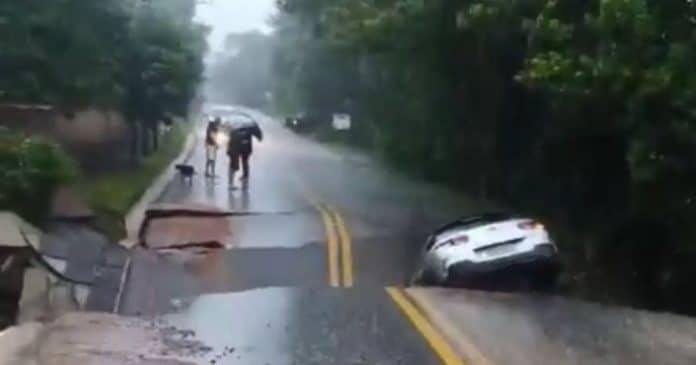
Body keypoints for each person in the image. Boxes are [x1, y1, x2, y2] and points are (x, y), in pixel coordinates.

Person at [227, 121, 263, 188]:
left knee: (244, 161)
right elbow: (229, 136)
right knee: (235, 164)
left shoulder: (248, 126)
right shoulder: (236, 126)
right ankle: (232, 182)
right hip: (238, 148)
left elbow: (257, 133)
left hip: (245, 148)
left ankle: (244, 176)